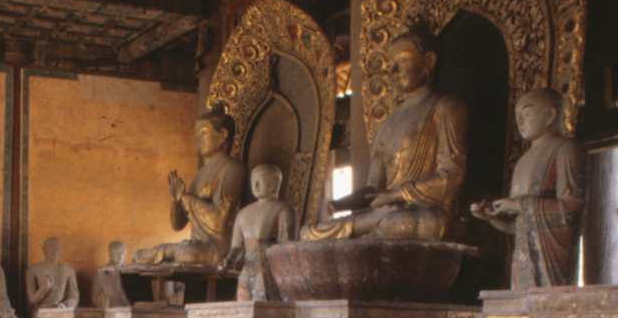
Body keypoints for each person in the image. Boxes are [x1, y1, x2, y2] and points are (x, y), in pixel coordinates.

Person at [301, 23, 467, 241]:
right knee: (309, 232)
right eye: (391, 64)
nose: (393, 70)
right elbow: (373, 189)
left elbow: (452, 175)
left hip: (424, 213)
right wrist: (338, 204)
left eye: (402, 61)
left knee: (398, 223)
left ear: (428, 61)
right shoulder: (388, 123)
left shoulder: (445, 107)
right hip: (385, 214)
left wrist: (395, 195)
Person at [471, 87, 586, 288]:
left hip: (552, 263)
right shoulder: (523, 162)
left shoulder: (566, 149)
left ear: (550, 115)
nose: (520, 122)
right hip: (523, 262)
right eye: (517, 117)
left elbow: (571, 210)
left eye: (526, 114)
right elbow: (520, 226)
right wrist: (493, 216)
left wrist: (518, 205)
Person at [133, 106, 246, 266]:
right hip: (195, 245)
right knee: (140, 255)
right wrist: (176, 201)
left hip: (217, 247)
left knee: (186, 253)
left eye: (203, 134)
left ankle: (172, 256)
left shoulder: (232, 168)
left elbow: (218, 220)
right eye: (197, 136)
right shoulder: (200, 174)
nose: (198, 140)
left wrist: (186, 198)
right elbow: (177, 225)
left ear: (223, 134)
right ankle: (169, 254)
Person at [220, 164, 296, 301]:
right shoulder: (243, 214)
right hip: (247, 271)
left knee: (265, 307)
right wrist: (229, 260)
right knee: (244, 308)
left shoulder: (283, 210)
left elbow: (286, 246)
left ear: (276, 183)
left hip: (270, 271)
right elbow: (236, 247)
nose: (255, 185)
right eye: (253, 180)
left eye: (261, 180)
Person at [25, 236, 80, 318]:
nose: (54, 251)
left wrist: (64, 305)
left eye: (57, 248)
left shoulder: (68, 271)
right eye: (51, 248)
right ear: (43, 250)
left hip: (60, 309)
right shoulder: (33, 270)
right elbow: (32, 300)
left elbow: (74, 296)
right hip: (41, 309)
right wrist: (44, 288)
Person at [91, 240, 130, 309]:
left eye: (123, 252)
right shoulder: (101, 272)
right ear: (110, 253)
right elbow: (95, 297)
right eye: (117, 252)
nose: (121, 255)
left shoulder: (130, 271)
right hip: (109, 309)